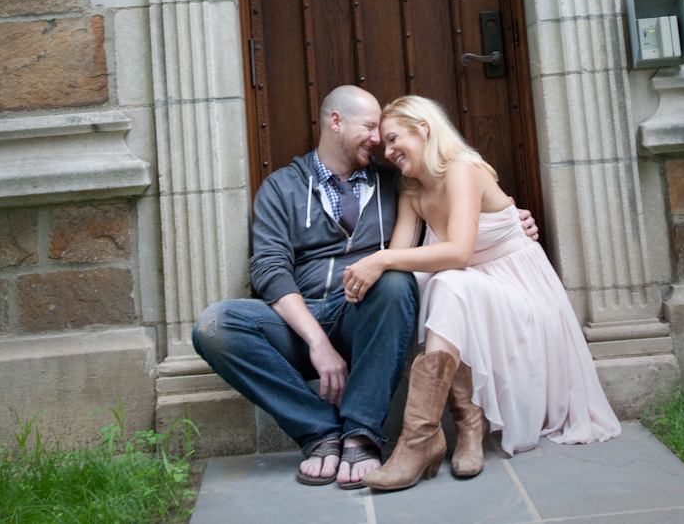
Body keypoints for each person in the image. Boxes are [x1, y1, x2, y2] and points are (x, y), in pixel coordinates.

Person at [193, 85, 540, 489]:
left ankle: (361, 432)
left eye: (384, 132)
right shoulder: (281, 187)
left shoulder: (397, 181)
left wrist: (509, 220)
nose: (378, 141)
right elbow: (269, 269)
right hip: (296, 324)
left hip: (365, 317)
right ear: (335, 122)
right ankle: (319, 432)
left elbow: (457, 196)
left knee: (394, 282)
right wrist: (317, 343)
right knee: (215, 325)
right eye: (371, 127)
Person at [339, 95, 621, 493]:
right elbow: (402, 260)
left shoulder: (463, 169)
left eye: (393, 138)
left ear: (423, 129)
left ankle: (429, 437)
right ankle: (460, 424)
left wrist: (380, 259)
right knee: (429, 284)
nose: (387, 152)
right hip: (469, 295)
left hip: (521, 295)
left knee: (448, 282)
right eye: (384, 144)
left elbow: (457, 253)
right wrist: (374, 271)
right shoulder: (412, 190)